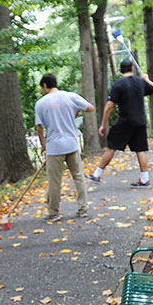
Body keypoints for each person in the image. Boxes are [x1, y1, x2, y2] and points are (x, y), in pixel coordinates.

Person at [86, 58, 153, 187]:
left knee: (112, 146)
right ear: (132, 69)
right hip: (140, 121)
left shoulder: (118, 84)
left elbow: (109, 105)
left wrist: (103, 124)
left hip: (125, 121)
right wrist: (146, 79)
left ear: (121, 70)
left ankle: (97, 174)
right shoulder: (141, 82)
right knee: (140, 149)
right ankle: (144, 179)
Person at [34, 73, 95, 222]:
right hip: (71, 144)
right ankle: (83, 209)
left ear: (44, 85)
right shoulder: (70, 96)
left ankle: (53, 212)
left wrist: (43, 145)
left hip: (54, 147)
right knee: (79, 177)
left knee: (55, 181)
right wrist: (76, 111)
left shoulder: (41, 103)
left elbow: (39, 128)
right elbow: (90, 108)